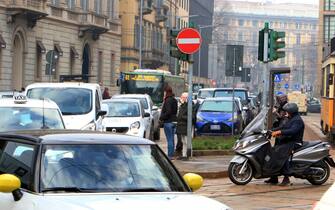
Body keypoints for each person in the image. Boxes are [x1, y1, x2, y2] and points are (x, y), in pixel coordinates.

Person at [264, 103, 304, 186]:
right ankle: (274, 177)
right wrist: (271, 131)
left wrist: (279, 132)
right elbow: (283, 127)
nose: (285, 113)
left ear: (291, 112)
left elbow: (292, 131)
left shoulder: (297, 121)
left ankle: (286, 178)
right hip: (288, 141)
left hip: (295, 142)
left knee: (282, 154)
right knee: (273, 152)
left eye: (287, 112)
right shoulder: (291, 119)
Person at [159, 86, 178, 160]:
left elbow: (168, 112)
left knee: (169, 139)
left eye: (164, 92)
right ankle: (172, 154)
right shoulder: (174, 100)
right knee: (172, 139)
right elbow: (175, 111)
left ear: (166, 92)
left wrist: (162, 117)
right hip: (174, 121)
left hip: (168, 122)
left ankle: (170, 156)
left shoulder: (167, 100)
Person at [176, 92, 189, 160]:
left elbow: (190, 117)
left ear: (186, 98)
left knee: (187, 141)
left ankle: (187, 155)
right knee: (183, 141)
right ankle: (184, 155)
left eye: (183, 97)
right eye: (181, 97)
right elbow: (179, 115)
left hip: (185, 126)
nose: (182, 98)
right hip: (181, 126)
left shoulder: (188, 105)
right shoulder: (182, 105)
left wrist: (181, 116)